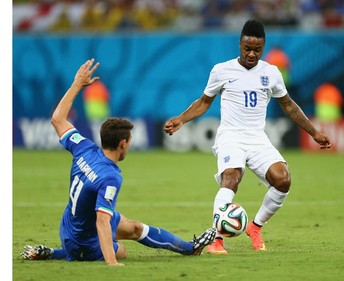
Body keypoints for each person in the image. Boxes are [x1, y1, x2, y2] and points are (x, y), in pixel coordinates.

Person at [21, 59, 215, 266]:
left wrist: (77, 84)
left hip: (69, 226)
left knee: (135, 228)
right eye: (129, 142)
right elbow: (102, 221)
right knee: (120, 249)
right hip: (83, 243)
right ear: (123, 143)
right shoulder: (110, 177)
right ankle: (56, 253)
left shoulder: (84, 148)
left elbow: (58, 119)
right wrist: (112, 263)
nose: (130, 145)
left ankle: (189, 248)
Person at [163, 20, 332, 254]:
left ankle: (255, 227)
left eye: (257, 49)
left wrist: (314, 132)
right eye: (247, 48)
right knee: (231, 177)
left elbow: (289, 106)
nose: (252, 54)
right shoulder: (222, 70)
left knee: (283, 180)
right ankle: (216, 240)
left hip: (257, 138)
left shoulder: (271, 73)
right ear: (240, 44)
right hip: (230, 135)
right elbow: (204, 102)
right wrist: (181, 119)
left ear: (263, 48)